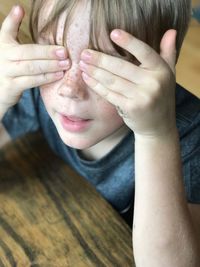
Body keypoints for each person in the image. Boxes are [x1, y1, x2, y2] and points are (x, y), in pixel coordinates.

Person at [0, 0, 199, 266]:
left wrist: (156, 135)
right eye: (54, 53)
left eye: (105, 68)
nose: (70, 89)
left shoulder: (190, 136)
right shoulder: (41, 85)